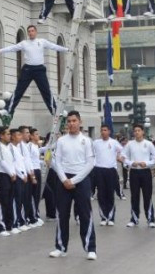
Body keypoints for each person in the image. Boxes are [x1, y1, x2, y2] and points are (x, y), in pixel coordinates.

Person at [49, 111, 96, 260]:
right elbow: (57, 162)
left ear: (80, 122)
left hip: (81, 179)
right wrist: (64, 179)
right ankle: (61, 247)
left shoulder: (87, 140)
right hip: (64, 180)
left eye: (74, 120)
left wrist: (74, 180)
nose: (71, 123)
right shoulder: (61, 141)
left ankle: (90, 248)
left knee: (85, 214)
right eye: (69, 121)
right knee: (62, 214)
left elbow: (90, 163)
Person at [0, 24, 68, 115]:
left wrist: (67, 50)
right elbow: (12, 48)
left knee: (46, 91)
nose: (31, 33)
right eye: (29, 31)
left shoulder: (42, 41)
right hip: (27, 69)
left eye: (32, 31)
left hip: (39, 69)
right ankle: (8, 110)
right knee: (19, 91)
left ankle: (54, 111)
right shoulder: (24, 43)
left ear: (36, 32)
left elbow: (54, 46)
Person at [123, 123, 155, 228]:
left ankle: (150, 219)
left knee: (147, 196)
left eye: (139, 130)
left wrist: (147, 163)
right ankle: (134, 219)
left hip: (145, 171)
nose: (137, 132)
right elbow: (123, 157)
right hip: (134, 172)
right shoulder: (129, 144)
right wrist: (130, 163)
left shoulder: (149, 144)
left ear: (143, 132)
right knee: (134, 196)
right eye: (135, 131)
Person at [93, 124, 120, 225]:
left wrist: (120, 157)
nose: (103, 132)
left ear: (109, 131)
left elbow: (123, 151)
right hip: (99, 170)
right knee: (101, 194)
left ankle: (111, 217)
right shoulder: (96, 143)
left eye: (105, 130)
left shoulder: (114, 142)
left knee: (110, 194)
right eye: (102, 130)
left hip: (110, 171)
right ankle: (103, 217)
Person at [0, 127, 17, 235]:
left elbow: (12, 162)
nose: (9, 136)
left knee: (10, 201)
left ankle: (9, 225)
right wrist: (11, 173)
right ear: (1, 136)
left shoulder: (9, 147)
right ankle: (0, 226)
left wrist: (14, 173)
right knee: (2, 201)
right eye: (7, 134)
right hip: (2, 176)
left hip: (11, 176)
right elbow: (2, 162)